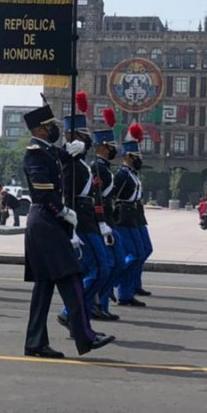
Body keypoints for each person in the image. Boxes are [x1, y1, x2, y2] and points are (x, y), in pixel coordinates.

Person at [20, 104, 114, 359]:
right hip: (46, 220)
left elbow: (64, 157)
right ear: (40, 129)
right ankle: (86, 336)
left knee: (44, 285)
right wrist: (63, 211)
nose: (54, 129)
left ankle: (35, 342)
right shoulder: (35, 153)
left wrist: (77, 148)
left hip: (48, 222)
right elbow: (43, 191)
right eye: (50, 126)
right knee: (71, 278)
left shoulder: (47, 151)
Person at [57, 94, 112, 326]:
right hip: (80, 222)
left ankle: (78, 318)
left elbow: (94, 195)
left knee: (99, 269)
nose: (86, 140)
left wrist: (102, 222)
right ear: (71, 137)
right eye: (82, 136)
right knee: (97, 270)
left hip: (89, 221)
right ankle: (71, 313)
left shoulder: (80, 164)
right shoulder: (69, 164)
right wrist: (71, 231)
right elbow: (67, 197)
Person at [87, 109, 120, 320]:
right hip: (101, 219)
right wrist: (101, 222)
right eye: (110, 146)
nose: (113, 149)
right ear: (102, 147)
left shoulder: (105, 168)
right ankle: (96, 302)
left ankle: (101, 300)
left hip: (109, 217)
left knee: (115, 263)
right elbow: (96, 196)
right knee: (107, 265)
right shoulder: (97, 167)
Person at [106, 124, 144, 308]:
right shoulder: (121, 174)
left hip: (133, 214)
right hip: (123, 215)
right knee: (134, 254)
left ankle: (125, 293)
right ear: (127, 156)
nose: (138, 159)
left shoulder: (132, 174)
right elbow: (113, 196)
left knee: (139, 253)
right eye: (136, 156)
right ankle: (111, 282)